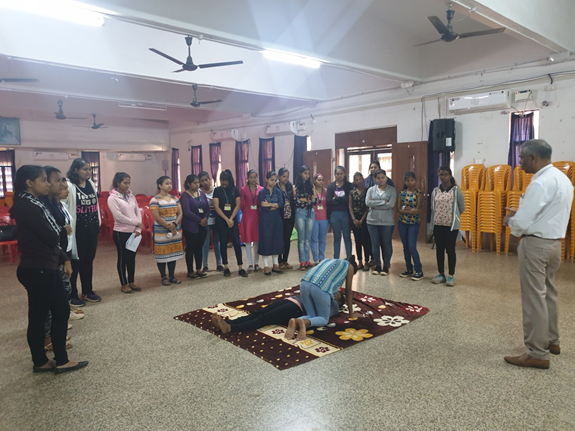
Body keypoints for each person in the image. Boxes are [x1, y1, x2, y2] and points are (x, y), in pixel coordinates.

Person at [502, 139, 573, 370]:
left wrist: (510, 220)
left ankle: (537, 353)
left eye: (522, 158)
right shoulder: (562, 179)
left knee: (533, 297)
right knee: (548, 293)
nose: (520, 162)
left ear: (533, 158)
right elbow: (546, 211)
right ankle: (552, 340)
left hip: (536, 245)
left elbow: (523, 222)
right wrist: (521, 213)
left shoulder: (540, 182)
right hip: (554, 244)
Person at [10, 165, 88, 374]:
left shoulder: (33, 204)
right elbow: (52, 237)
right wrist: (62, 231)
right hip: (40, 268)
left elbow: (51, 238)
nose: (47, 184)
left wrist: (63, 252)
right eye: (43, 180)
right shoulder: (29, 206)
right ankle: (60, 360)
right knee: (57, 312)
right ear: (30, 183)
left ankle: (41, 361)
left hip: (40, 266)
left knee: (41, 314)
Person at [284, 257, 361, 341]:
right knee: (323, 318)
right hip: (321, 287)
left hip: (305, 283)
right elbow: (348, 292)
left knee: (311, 315)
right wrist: (351, 315)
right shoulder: (350, 266)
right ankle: (305, 322)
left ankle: (295, 321)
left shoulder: (330, 260)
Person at [211, 292, 344, 335]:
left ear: (338, 302)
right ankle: (227, 323)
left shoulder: (334, 306)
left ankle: (231, 328)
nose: (335, 293)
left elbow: (323, 313)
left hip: (296, 309)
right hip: (290, 301)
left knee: (263, 318)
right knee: (257, 313)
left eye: (338, 295)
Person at [64, 158, 101, 306]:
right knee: (76, 262)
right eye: (85, 169)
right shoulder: (69, 185)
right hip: (78, 231)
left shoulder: (90, 183)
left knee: (88, 261)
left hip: (92, 229)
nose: (88, 172)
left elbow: (95, 204)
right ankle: (72, 294)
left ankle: (87, 291)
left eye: (89, 169)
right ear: (76, 170)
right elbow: (65, 206)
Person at [107, 172, 143, 293]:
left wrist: (138, 228)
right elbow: (119, 217)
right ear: (118, 183)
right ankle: (124, 283)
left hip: (134, 232)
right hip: (121, 232)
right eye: (125, 183)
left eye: (129, 183)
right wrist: (135, 222)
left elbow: (138, 212)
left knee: (131, 258)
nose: (128, 185)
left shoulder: (131, 196)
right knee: (123, 258)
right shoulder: (112, 198)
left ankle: (131, 281)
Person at [430, 166, 465, 286]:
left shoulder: (456, 190)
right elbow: (433, 207)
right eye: (441, 175)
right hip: (438, 225)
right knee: (439, 250)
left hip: (451, 226)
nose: (443, 177)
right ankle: (441, 274)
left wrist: (453, 217)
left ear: (450, 175)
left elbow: (461, 208)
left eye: (445, 174)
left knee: (450, 250)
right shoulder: (435, 191)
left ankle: (451, 275)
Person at [149, 176, 184, 285]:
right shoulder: (155, 200)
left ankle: (172, 276)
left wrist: (174, 224)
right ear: (160, 185)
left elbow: (180, 213)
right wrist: (168, 226)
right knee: (162, 254)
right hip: (161, 230)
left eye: (170, 183)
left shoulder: (175, 198)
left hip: (175, 229)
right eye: (166, 183)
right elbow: (157, 217)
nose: (169, 186)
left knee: (173, 253)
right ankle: (163, 277)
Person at [213, 169, 248, 278]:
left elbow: (238, 205)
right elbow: (216, 207)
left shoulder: (235, 189)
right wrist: (226, 219)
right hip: (221, 220)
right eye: (222, 180)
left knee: (236, 242)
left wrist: (231, 218)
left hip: (232, 219)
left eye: (226, 180)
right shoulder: (217, 190)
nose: (224, 182)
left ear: (230, 180)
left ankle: (240, 267)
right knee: (223, 243)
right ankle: (226, 267)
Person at [366, 169, 396, 276]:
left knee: (386, 244)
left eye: (383, 177)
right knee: (375, 244)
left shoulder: (391, 190)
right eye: (378, 178)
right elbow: (368, 203)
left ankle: (386, 266)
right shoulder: (370, 190)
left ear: (386, 178)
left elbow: (391, 204)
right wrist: (383, 202)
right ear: (375, 179)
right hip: (372, 221)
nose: (381, 180)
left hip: (387, 222)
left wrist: (374, 203)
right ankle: (377, 265)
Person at [180, 174, 209, 280]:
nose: (197, 184)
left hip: (203, 225)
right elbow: (187, 212)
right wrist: (200, 220)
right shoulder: (185, 195)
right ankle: (190, 271)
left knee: (199, 247)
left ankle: (198, 269)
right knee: (191, 248)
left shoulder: (201, 194)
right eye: (194, 183)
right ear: (189, 184)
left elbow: (207, 208)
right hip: (191, 226)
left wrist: (205, 218)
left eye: (198, 182)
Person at [397, 171, 424, 281]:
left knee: (412, 246)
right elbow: (398, 209)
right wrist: (410, 210)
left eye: (412, 180)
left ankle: (419, 270)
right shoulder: (401, 193)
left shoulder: (419, 193)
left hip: (414, 223)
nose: (410, 182)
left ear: (415, 180)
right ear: (405, 181)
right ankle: (409, 269)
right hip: (402, 223)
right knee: (405, 247)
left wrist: (408, 210)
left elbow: (418, 210)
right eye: (407, 180)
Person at [257, 171, 284, 275]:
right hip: (266, 219)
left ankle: (275, 264)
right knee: (266, 241)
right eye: (271, 180)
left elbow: (281, 204)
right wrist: (274, 205)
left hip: (276, 219)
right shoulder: (262, 192)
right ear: (266, 179)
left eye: (275, 180)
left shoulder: (278, 191)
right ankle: (266, 266)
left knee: (276, 240)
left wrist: (270, 204)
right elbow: (263, 206)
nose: (273, 182)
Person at [198, 171, 223, 273]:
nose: (205, 182)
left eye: (206, 180)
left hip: (216, 220)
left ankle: (219, 264)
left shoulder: (216, 190)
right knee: (205, 243)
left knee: (217, 242)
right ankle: (205, 265)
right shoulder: (199, 192)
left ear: (209, 179)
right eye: (202, 181)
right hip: (205, 221)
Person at [327, 165, 353, 259]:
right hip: (334, 214)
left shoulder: (349, 186)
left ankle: (349, 258)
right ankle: (336, 259)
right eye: (337, 174)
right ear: (335, 174)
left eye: (341, 173)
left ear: (344, 174)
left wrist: (336, 199)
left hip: (345, 214)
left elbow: (348, 200)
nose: (339, 176)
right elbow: (329, 201)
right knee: (337, 237)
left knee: (347, 237)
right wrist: (341, 199)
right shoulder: (331, 186)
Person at [294, 165, 317, 270]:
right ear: (300, 174)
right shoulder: (295, 187)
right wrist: (308, 200)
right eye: (305, 173)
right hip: (300, 212)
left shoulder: (311, 186)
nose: (307, 175)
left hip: (310, 212)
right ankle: (302, 261)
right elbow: (296, 201)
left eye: (308, 173)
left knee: (308, 238)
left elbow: (315, 201)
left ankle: (307, 260)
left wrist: (304, 200)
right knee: (301, 238)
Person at [240, 169, 263, 271]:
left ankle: (257, 263)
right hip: (247, 217)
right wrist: (246, 211)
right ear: (248, 178)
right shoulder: (243, 189)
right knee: (248, 241)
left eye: (255, 177)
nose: (253, 179)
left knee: (257, 241)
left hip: (258, 216)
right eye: (251, 177)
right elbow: (241, 204)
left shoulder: (261, 189)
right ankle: (250, 264)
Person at [349, 172, 371, 271]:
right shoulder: (352, 192)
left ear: (363, 179)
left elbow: (368, 207)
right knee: (357, 241)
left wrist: (362, 219)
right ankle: (360, 262)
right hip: (355, 219)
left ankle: (367, 262)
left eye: (360, 179)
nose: (358, 181)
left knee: (365, 241)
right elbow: (350, 206)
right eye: (356, 179)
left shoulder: (368, 191)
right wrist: (354, 219)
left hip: (365, 219)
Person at [276, 168, 295, 270]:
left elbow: (293, 200)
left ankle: (285, 260)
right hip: (280, 216)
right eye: (284, 176)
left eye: (287, 176)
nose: (286, 178)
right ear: (279, 177)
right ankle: (279, 261)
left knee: (287, 239)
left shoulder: (289, 186)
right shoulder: (276, 187)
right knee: (280, 239)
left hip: (289, 216)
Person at [310, 173, 328, 265]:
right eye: (319, 180)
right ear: (314, 181)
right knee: (314, 239)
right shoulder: (312, 191)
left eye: (322, 180)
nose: (321, 182)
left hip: (324, 218)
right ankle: (315, 258)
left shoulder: (326, 191)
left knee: (322, 239)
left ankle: (321, 257)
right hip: (314, 218)